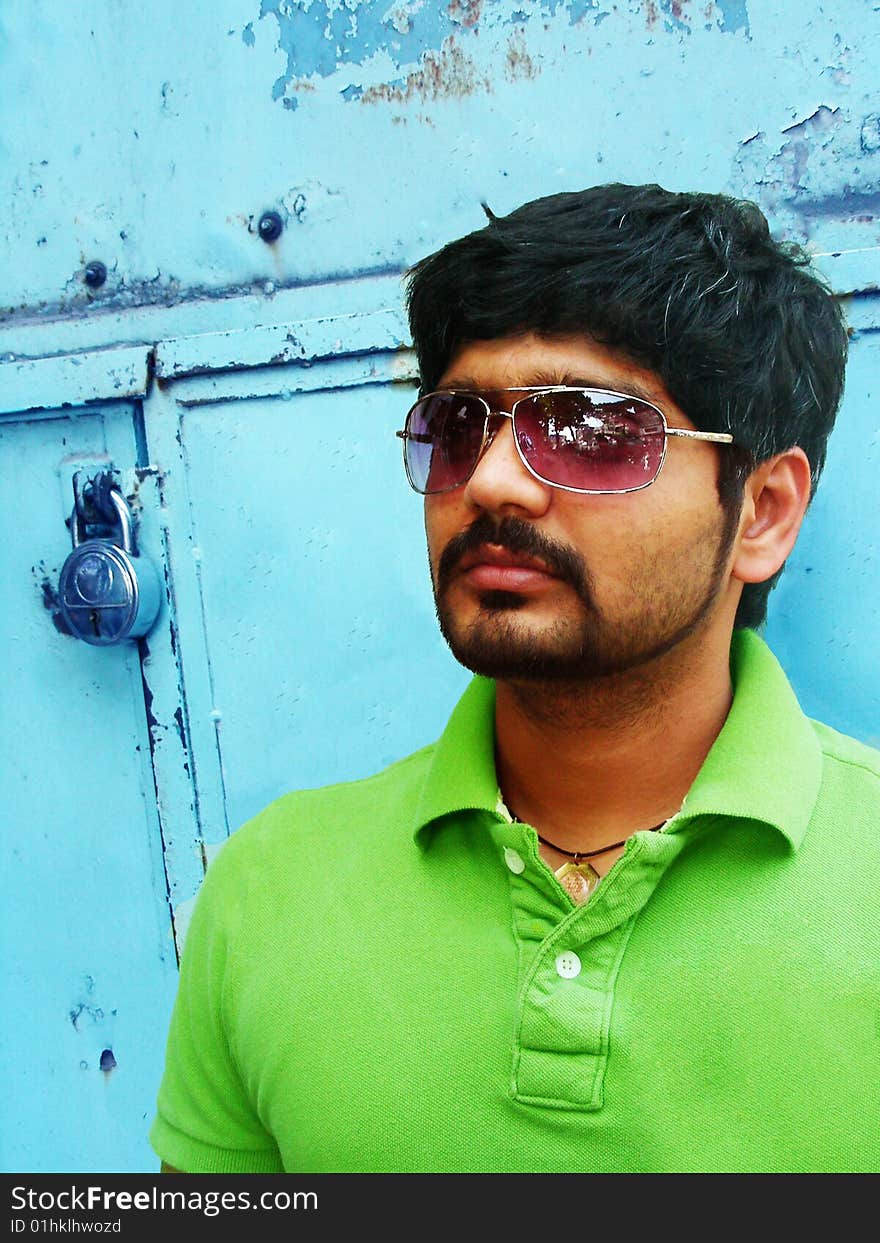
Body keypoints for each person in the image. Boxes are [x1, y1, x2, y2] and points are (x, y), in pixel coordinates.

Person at [150, 183, 879, 1175]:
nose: (489, 481)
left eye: (585, 427)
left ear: (761, 511)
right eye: (456, 426)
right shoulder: (267, 892)